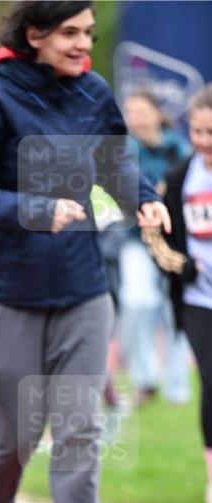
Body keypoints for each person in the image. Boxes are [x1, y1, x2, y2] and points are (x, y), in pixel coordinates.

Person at [0, 0, 169, 503]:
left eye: (89, 33)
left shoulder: (94, 92)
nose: (83, 45)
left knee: (79, 425)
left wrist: (144, 199)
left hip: (81, 287)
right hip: (4, 292)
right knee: (15, 433)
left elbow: (116, 166)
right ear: (34, 34)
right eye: (70, 33)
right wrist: (35, 211)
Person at [143, 84, 212, 503]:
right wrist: (182, 265)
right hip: (199, 300)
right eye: (199, 132)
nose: (205, 141)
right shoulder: (180, 175)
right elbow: (153, 233)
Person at [120, 90, 192, 405]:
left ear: (156, 113)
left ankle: (178, 385)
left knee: (176, 308)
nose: (136, 117)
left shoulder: (180, 148)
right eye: (130, 111)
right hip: (136, 240)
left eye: (141, 110)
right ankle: (146, 378)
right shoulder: (122, 149)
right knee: (136, 302)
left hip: (177, 243)